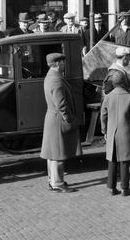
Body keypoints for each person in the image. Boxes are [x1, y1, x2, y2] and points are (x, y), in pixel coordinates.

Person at [40, 52, 80, 193]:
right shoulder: (56, 80)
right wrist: (69, 119)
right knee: (58, 153)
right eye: (62, 62)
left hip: (52, 118)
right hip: (58, 119)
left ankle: (53, 180)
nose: (64, 64)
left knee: (52, 153)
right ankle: (57, 183)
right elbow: (61, 104)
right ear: (57, 64)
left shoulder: (51, 77)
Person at [101, 67, 130, 197]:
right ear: (124, 82)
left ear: (113, 83)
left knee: (112, 160)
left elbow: (103, 115)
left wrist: (104, 130)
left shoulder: (108, 97)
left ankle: (111, 187)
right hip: (126, 132)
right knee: (124, 161)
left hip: (112, 132)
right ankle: (125, 188)